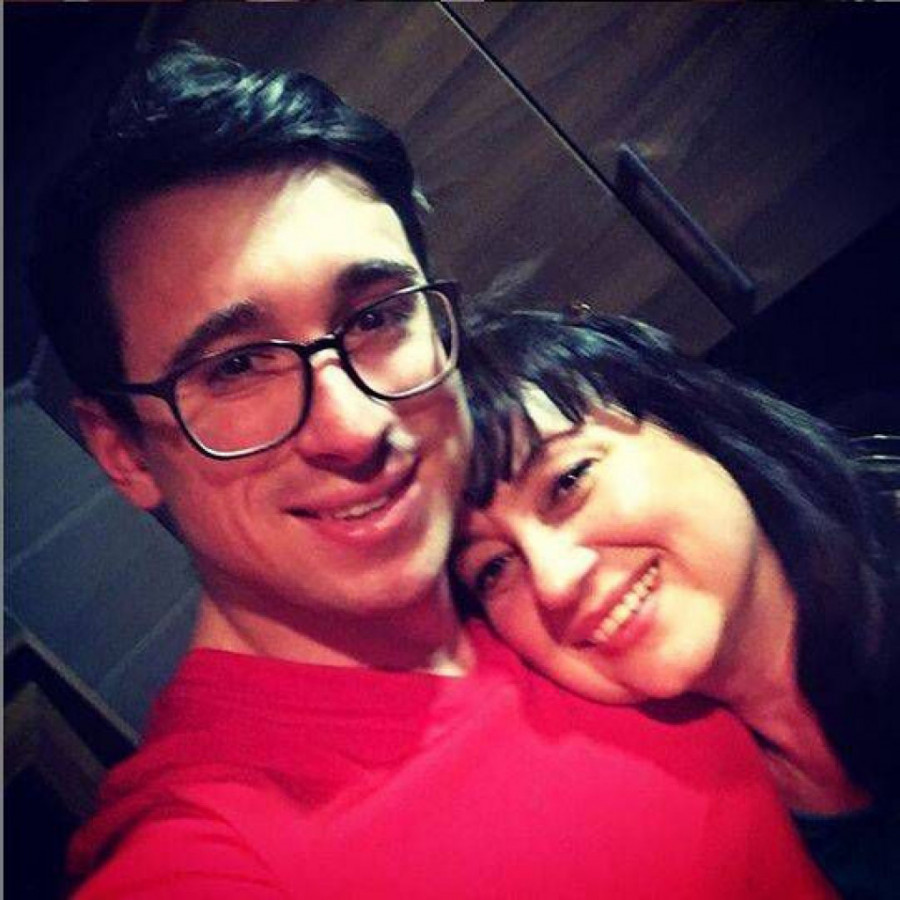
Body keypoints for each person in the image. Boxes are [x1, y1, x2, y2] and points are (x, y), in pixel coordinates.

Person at [30, 44, 834, 898]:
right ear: (124, 452)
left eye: (377, 316)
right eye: (234, 368)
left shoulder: (547, 574)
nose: (356, 426)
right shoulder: (221, 856)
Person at [454, 305, 900, 898]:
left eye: (568, 481)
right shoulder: (684, 824)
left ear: (693, 421)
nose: (555, 580)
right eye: (493, 567)